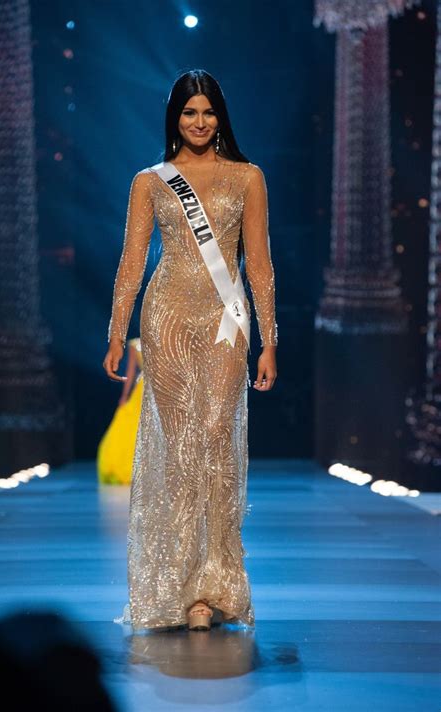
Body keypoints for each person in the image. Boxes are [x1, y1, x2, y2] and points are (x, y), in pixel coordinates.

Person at [102, 69, 278, 632]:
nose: (198, 122)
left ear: (220, 116)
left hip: (227, 320)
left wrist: (269, 342)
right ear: (174, 118)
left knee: (216, 441)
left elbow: (260, 265)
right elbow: (132, 261)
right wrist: (116, 332)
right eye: (188, 113)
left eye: (207, 112)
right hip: (167, 318)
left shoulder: (248, 177)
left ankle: (215, 582)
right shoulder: (150, 181)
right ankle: (182, 587)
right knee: (181, 452)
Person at [97, 337, 143, 485]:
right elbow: (131, 373)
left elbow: (131, 373)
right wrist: (125, 396)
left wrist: (125, 396)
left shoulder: (136, 344)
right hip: (146, 389)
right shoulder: (135, 344)